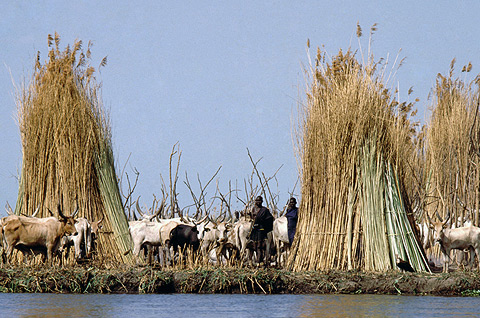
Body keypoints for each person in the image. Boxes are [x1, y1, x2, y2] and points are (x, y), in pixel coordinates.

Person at [248, 195, 274, 265]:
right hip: (254, 229)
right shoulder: (253, 209)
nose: (258, 202)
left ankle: (260, 261)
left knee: (260, 245)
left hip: (261, 229)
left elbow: (270, 218)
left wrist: (263, 222)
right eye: (257, 201)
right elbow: (252, 218)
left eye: (259, 201)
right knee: (254, 245)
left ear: (262, 202)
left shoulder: (264, 210)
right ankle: (256, 260)